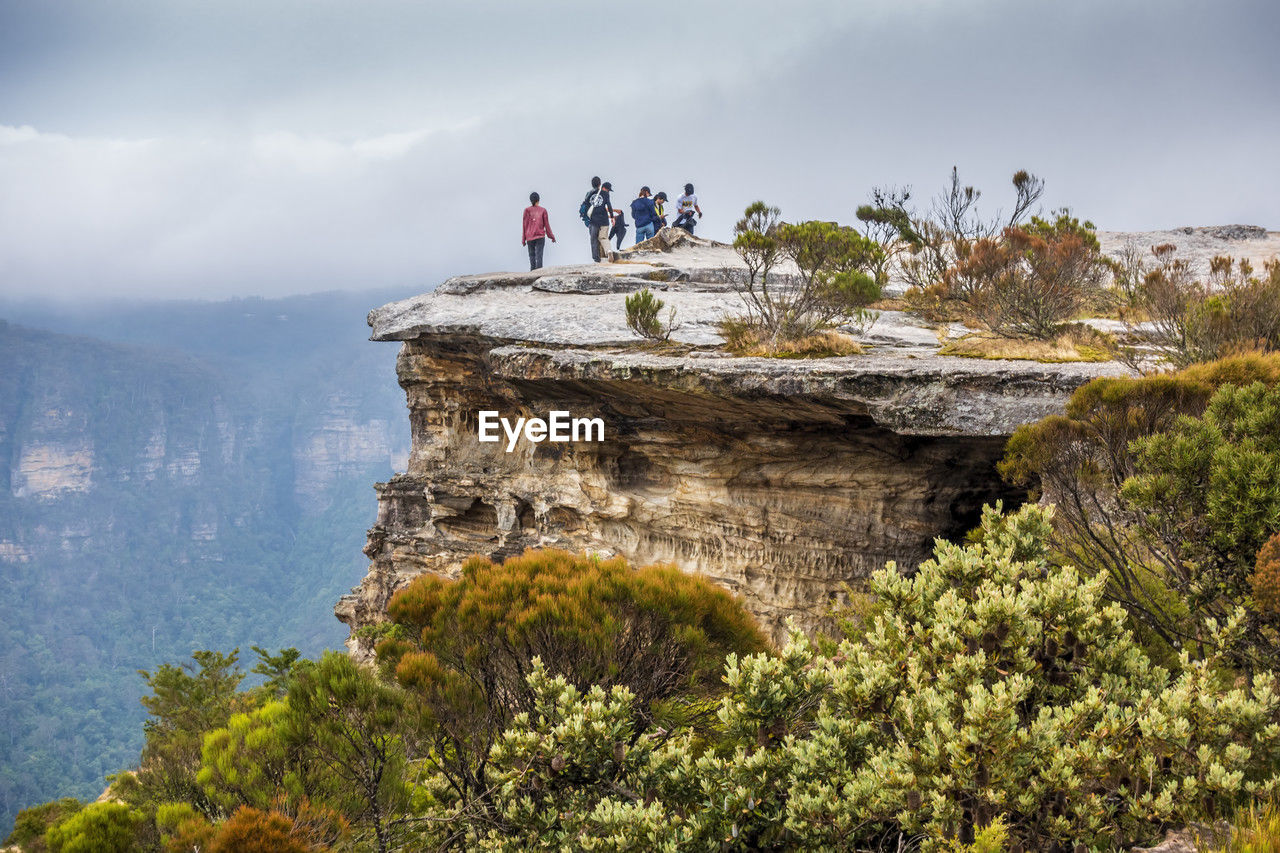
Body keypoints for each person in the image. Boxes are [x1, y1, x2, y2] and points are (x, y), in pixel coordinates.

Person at [581, 177, 615, 262]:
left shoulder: (589, 194)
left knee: (594, 240)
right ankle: (609, 251)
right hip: (604, 220)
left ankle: (596, 259)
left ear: (592, 184)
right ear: (600, 184)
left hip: (593, 221)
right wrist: (612, 217)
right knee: (603, 237)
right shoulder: (605, 194)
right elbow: (609, 206)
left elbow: (585, 207)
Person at [521, 191, 555, 270]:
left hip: (529, 237)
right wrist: (551, 236)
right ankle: (539, 273)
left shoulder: (526, 210)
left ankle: (532, 273)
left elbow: (524, 226)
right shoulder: (543, 210)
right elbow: (547, 225)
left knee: (532, 256)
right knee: (539, 255)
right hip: (540, 237)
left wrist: (523, 240)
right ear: (538, 200)